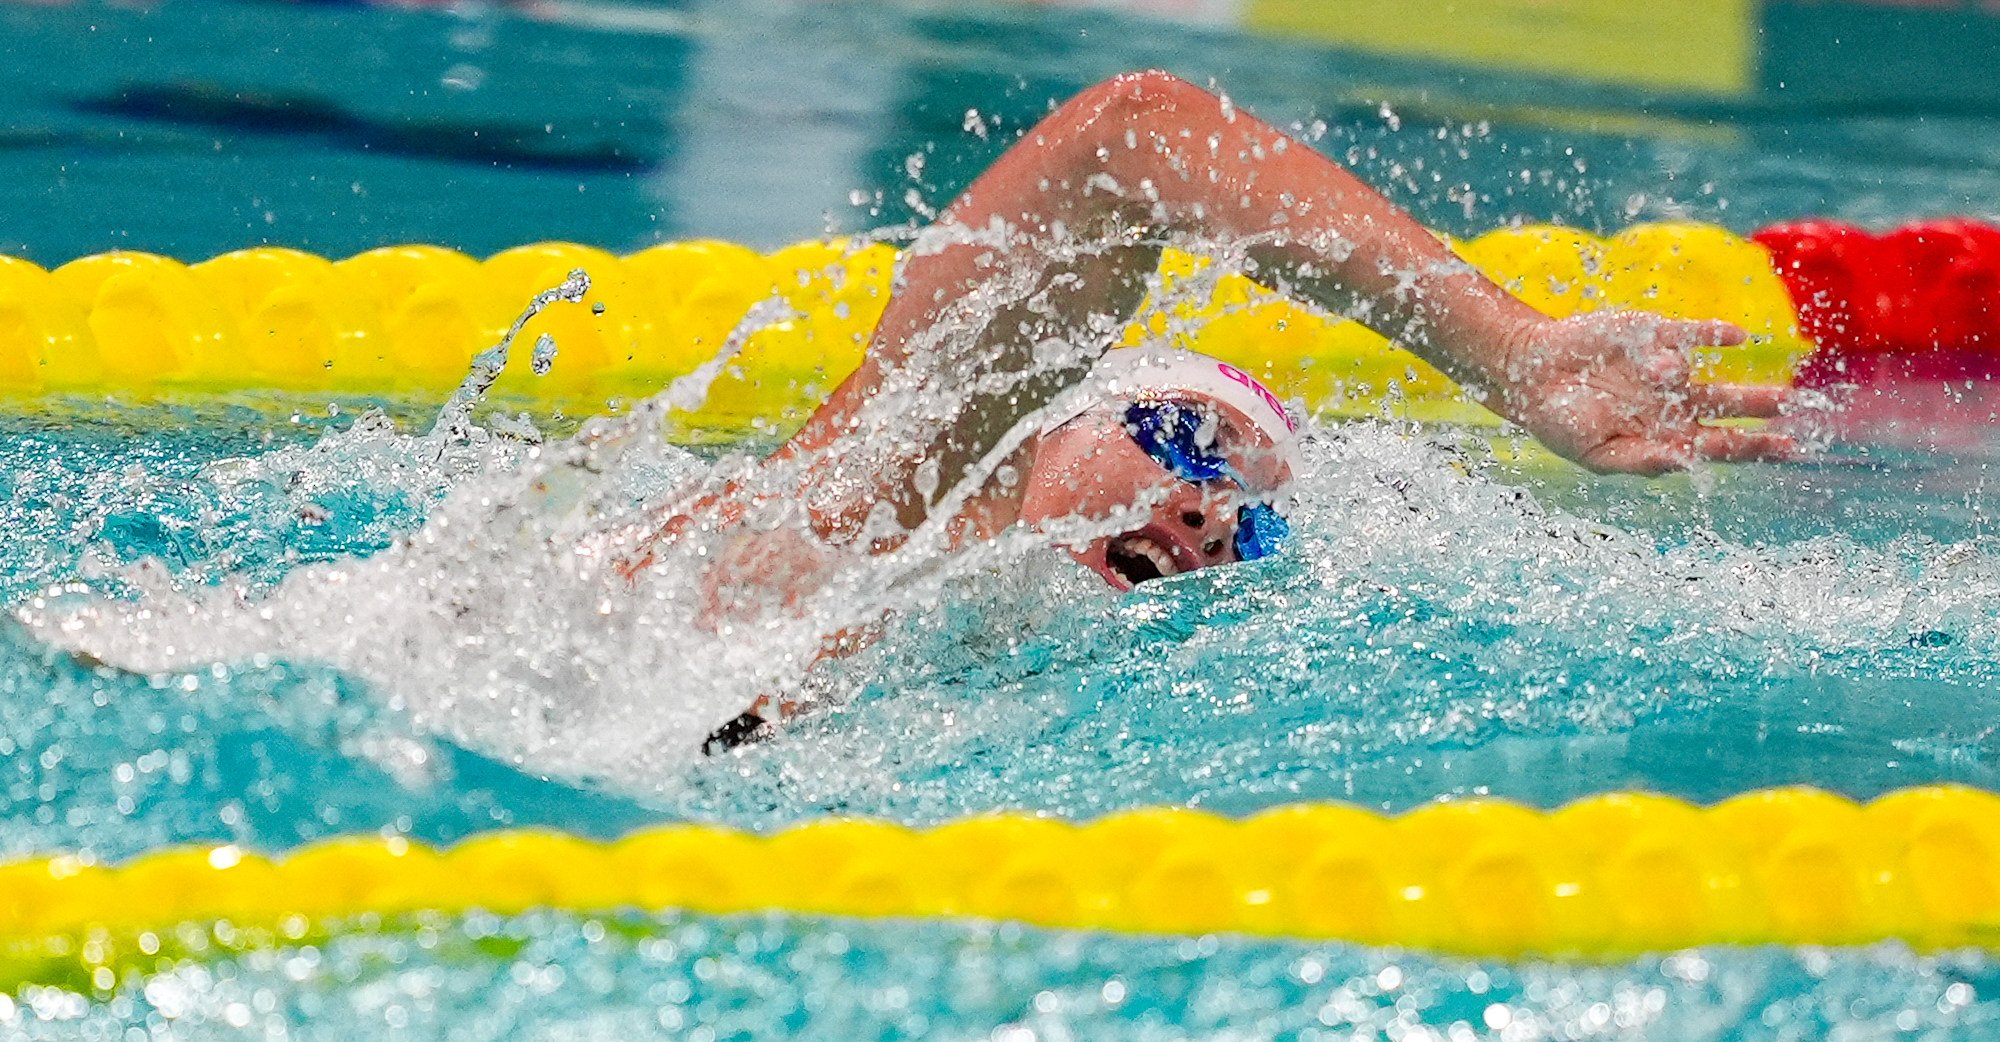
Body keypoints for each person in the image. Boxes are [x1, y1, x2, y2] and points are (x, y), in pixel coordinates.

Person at [618, 71, 1791, 749]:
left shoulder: (1003, 685)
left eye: (1245, 526)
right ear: (1053, 414)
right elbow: (1131, 137)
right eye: (1185, 442)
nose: (1201, 516)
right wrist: (1508, 353)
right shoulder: (879, 495)